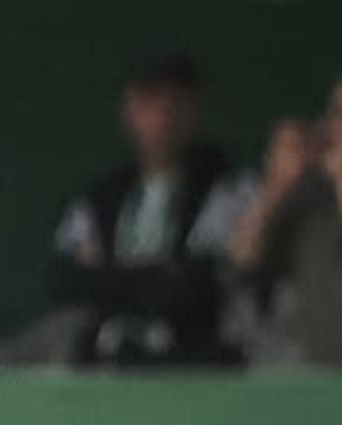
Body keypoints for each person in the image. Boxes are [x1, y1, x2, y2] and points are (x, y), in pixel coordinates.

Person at [48, 55, 250, 367]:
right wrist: (157, 278)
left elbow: (197, 287)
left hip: (198, 363)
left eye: (175, 106)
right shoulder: (100, 196)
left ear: (195, 111)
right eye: (149, 105)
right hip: (109, 361)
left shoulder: (230, 189)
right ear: (129, 111)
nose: (161, 119)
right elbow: (67, 281)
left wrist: (111, 277)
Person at [229, 79, 342, 366]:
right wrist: (276, 187)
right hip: (318, 381)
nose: (332, 127)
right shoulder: (312, 199)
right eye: (334, 114)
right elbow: (242, 261)